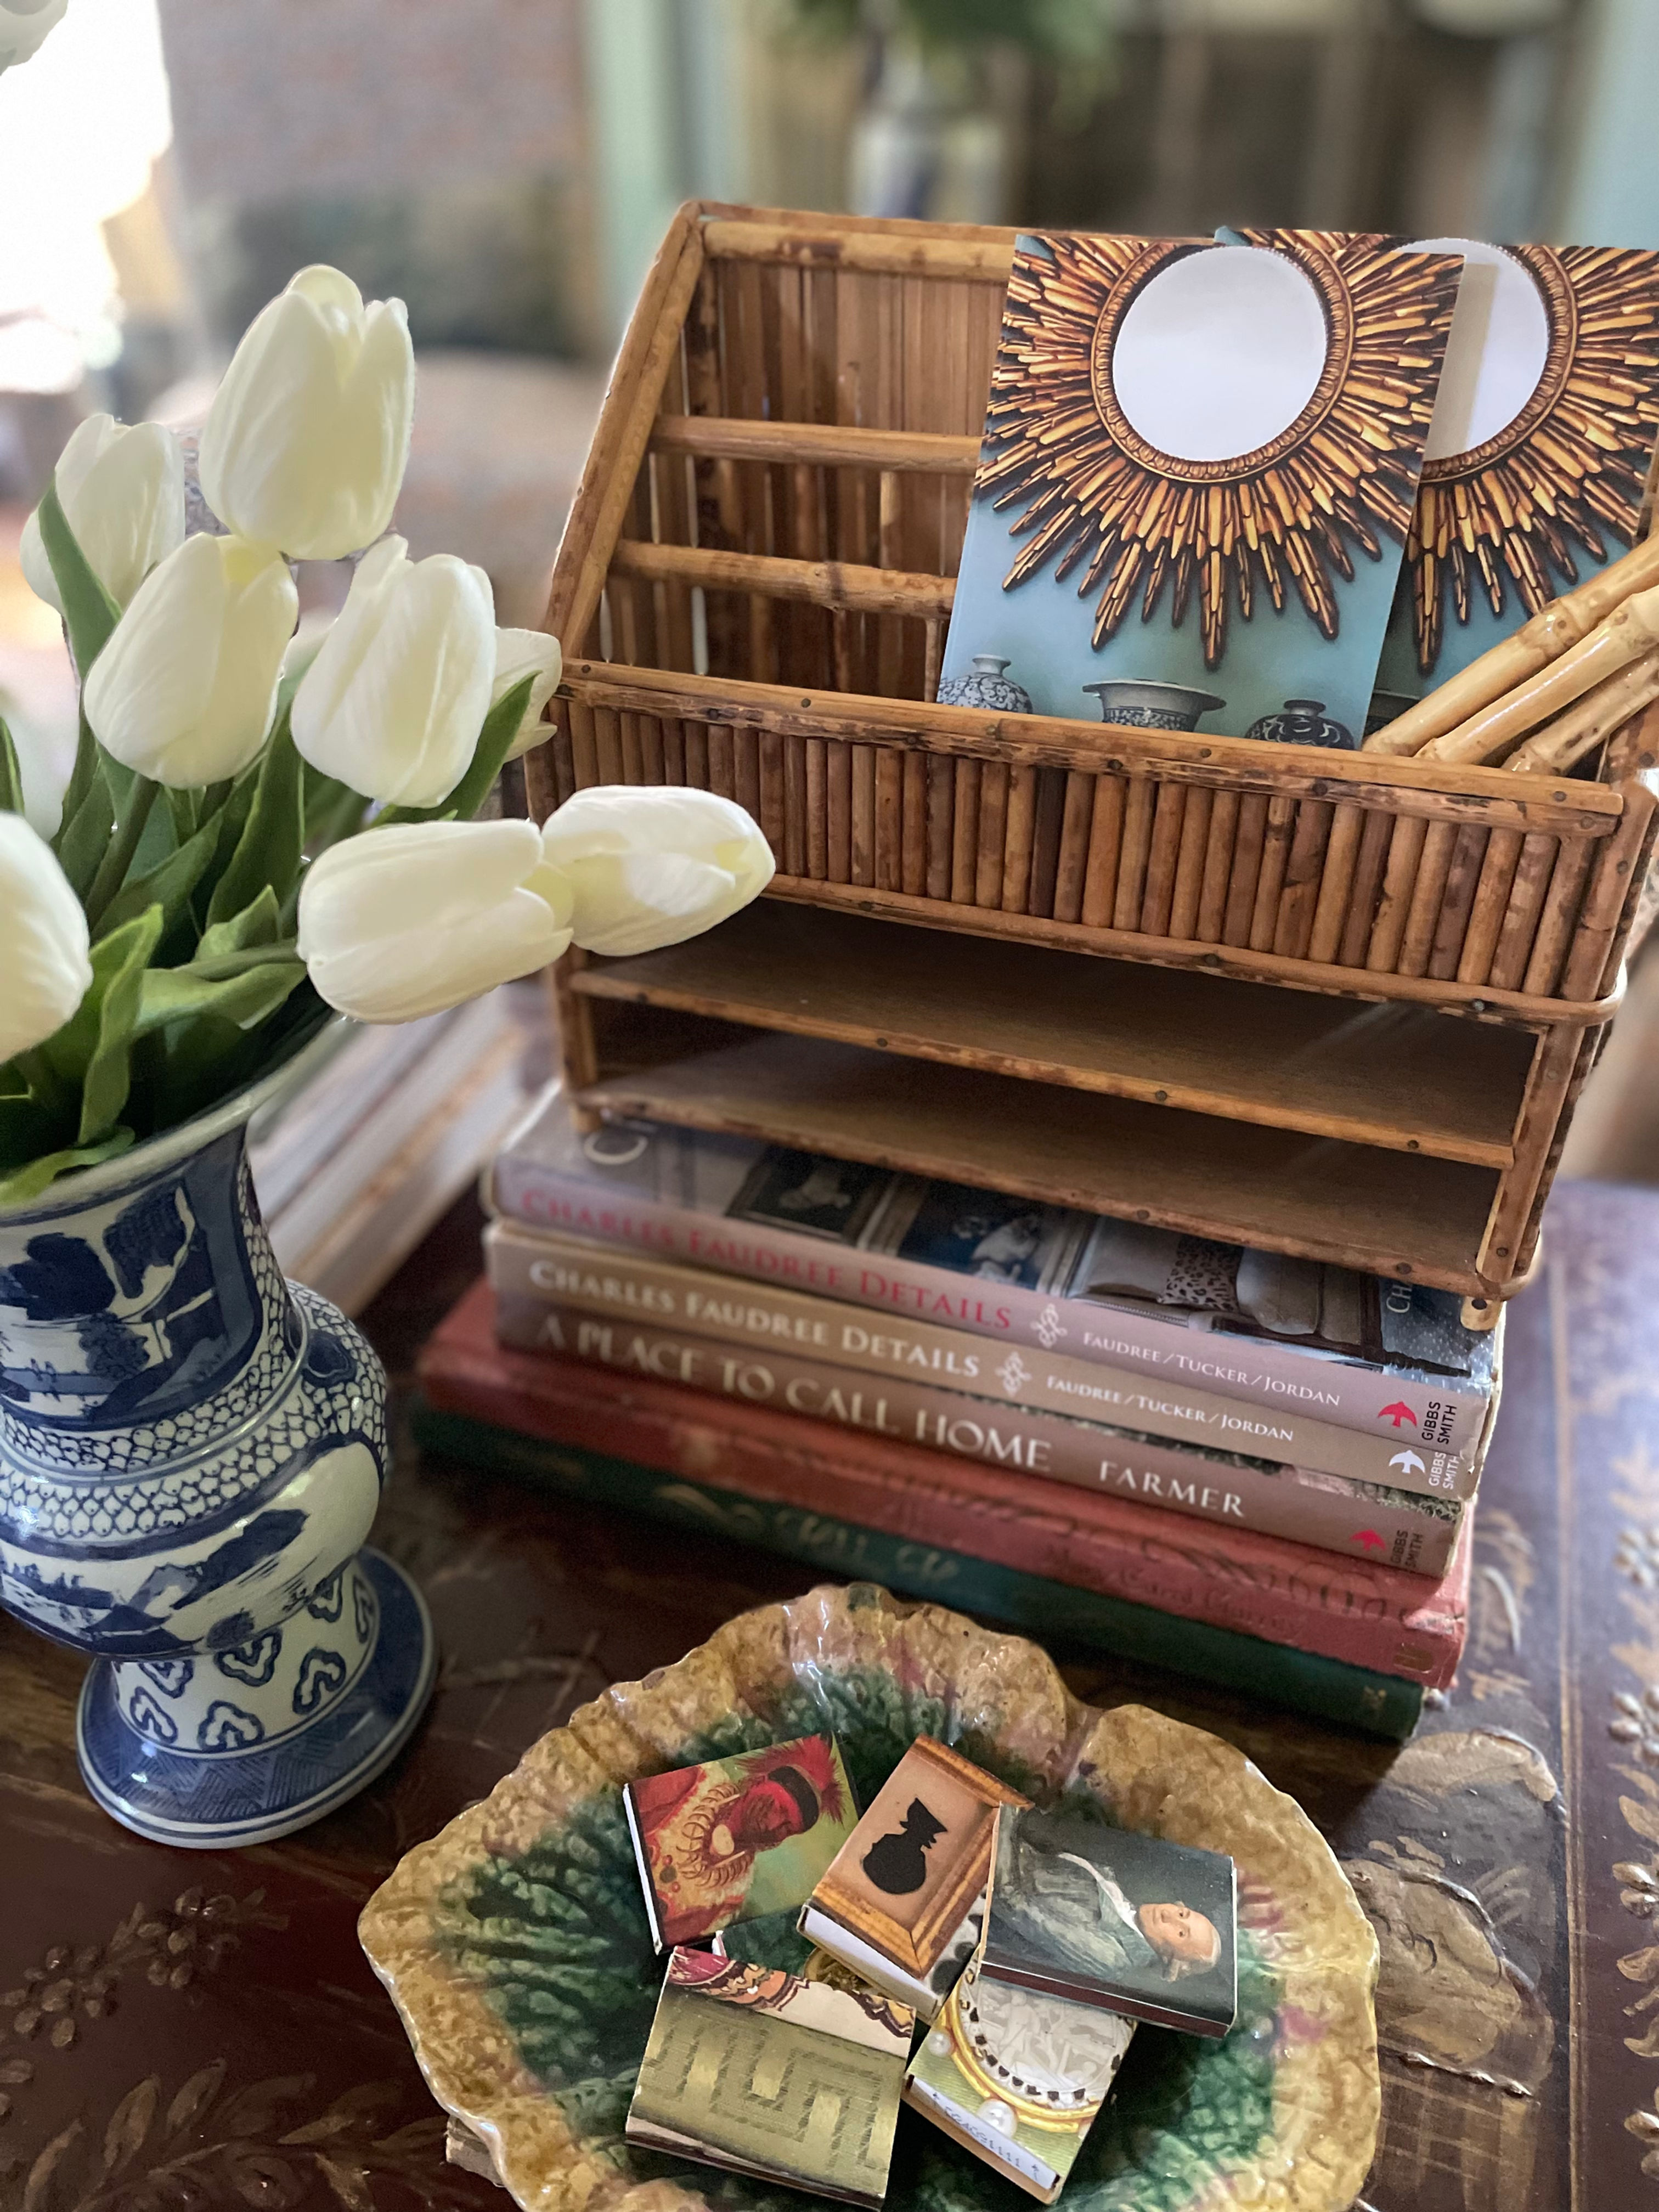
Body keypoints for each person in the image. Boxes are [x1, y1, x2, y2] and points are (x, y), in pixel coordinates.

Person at [634, 1742, 843, 1945]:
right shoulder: (694, 1782)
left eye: (787, 1828)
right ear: (761, 1781)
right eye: (778, 1808)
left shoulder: (730, 1898)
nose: (774, 1825)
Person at [998, 1820, 1222, 1985]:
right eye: (1183, 1915)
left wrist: (1005, 1816)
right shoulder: (1120, 1900)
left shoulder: (1111, 1958)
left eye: (1181, 1934)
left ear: (1170, 1959)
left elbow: (1009, 1899)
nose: (1169, 1916)